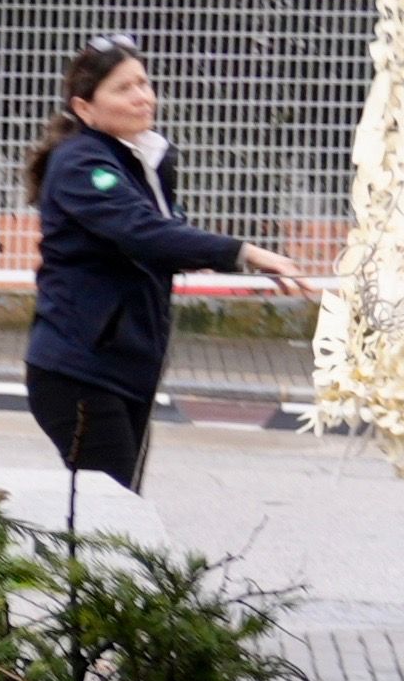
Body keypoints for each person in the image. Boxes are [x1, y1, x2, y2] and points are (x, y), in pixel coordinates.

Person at [24, 33, 305, 521]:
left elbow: (163, 240)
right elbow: (145, 234)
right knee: (110, 521)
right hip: (79, 372)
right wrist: (245, 253)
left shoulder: (140, 161)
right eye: (124, 88)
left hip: (125, 369)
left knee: (115, 513)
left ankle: (101, 597)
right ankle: (96, 598)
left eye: (144, 83)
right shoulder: (82, 164)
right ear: (85, 108)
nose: (143, 96)